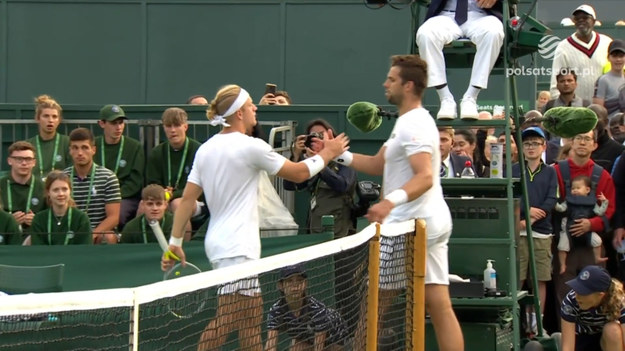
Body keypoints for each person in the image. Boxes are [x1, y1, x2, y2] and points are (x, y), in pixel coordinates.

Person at [160, 84, 348, 351]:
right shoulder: (251, 147)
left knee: (250, 320)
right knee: (227, 318)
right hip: (236, 247)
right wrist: (328, 153)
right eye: (250, 105)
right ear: (238, 113)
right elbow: (297, 173)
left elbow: (188, 199)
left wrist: (175, 241)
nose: (255, 107)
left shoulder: (205, 149)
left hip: (225, 244)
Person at [337, 55, 463, 350]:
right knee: (438, 303)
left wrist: (388, 203)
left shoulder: (414, 124)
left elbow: (425, 177)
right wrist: (335, 155)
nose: (385, 84)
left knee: (374, 305)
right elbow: (379, 164)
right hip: (423, 223)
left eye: (391, 79)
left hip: (410, 226)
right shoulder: (407, 122)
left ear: (407, 85)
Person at [553, 128, 615, 303]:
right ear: (571, 142)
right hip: (564, 244)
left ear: (594, 145)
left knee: (595, 294)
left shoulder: (602, 175)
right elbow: (551, 202)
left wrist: (591, 224)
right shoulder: (557, 171)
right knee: (564, 293)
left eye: (587, 139)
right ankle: (566, 330)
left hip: (591, 244)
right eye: (578, 138)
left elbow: (609, 209)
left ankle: (594, 330)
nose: (582, 142)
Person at [416, 0, 504, 120]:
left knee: (493, 32)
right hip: (445, 16)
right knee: (425, 34)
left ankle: (471, 97)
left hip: (482, 15)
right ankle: (445, 98)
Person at [511, 127, 557, 327]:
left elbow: (551, 199)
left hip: (542, 233)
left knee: (539, 280)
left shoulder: (550, 172)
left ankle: (535, 323)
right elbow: (511, 196)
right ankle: (513, 321)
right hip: (517, 231)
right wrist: (525, 212)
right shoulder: (512, 169)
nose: (531, 147)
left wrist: (530, 220)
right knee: (517, 278)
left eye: (535, 143)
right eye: (527, 143)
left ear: (544, 146)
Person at [283, 119, 357, 237]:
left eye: (321, 135)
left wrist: (320, 163)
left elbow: (343, 185)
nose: (317, 139)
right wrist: (296, 156)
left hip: (338, 230)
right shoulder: (311, 162)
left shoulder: (344, 159)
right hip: (315, 228)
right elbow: (290, 185)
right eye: (313, 136)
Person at [265, 264, 347, 351]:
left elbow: (319, 348)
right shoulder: (276, 311)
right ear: (280, 285)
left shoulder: (317, 309)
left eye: (300, 280)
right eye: (289, 281)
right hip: (305, 338)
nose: (295, 286)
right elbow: (270, 345)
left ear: (305, 284)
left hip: (334, 337)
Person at [64, 128, 121, 244]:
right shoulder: (62, 178)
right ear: (70, 150)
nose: (80, 153)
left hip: (97, 233)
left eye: (85, 147)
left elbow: (114, 218)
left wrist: (91, 235)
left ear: (93, 150)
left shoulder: (108, 177)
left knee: (108, 237)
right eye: (75, 148)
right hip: (69, 231)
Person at [94, 104, 145, 230]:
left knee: (117, 214)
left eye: (121, 123)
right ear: (102, 124)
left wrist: (112, 196)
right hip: (96, 194)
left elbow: (135, 181)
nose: (118, 127)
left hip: (125, 197)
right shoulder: (93, 145)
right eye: (113, 123)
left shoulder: (134, 146)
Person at [550, 5, 612, 102]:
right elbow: (555, 85)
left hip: (604, 108)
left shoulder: (607, 42)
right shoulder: (563, 47)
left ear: (594, 21)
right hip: (575, 110)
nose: (581, 20)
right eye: (577, 18)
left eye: (585, 18)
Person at [146, 107, 202, 215]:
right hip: (162, 198)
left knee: (178, 205)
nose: (172, 130)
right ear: (164, 128)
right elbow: (152, 183)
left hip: (195, 200)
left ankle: (181, 233)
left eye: (177, 125)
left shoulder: (199, 151)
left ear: (185, 126)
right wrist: (162, 193)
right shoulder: (157, 152)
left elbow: (201, 186)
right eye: (168, 126)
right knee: (143, 206)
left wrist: (173, 195)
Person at [560, 265, 625, 351]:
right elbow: (567, 348)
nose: (577, 296)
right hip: (581, 338)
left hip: (606, 341)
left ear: (601, 295)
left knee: (612, 330)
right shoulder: (570, 301)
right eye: (576, 288)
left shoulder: (619, 301)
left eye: (583, 292)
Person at [556, 175, 609, 274]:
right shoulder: (569, 201)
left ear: (588, 189)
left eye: (578, 188)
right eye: (573, 188)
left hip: (588, 231)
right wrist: (554, 202)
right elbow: (561, 208)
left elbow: (600, 212)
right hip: (569, 229)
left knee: (598, 241)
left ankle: (597, 257)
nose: (575, 190)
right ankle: (563, 264)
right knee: (562, 247)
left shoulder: (592, 202)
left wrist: (604, 202)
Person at [30, 171, 92, 245]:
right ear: (48, 192)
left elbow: (84, 249)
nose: (61, 194)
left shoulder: (81, 218)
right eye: (56, 190)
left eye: (64, 189)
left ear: (70, 191)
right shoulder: (39, 219)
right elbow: (38, 250)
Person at [0, 141, 47, 235]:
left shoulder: (43, 187)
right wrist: (8, 221)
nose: (24, 163)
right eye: (19, 159)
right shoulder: (1, 185)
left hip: (34, 239)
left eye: (28, 159)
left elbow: (52, 218)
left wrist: (38, 220)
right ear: (9, 161)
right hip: (5, 240)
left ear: (34, 162)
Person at [26, 95, 71, 181]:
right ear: (37, 119)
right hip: (36, 190)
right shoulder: (29, 145)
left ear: (59, 120)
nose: (50, 120)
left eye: (54, 116)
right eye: (46, 116)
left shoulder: (67, 142)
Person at [593, 39, 625, 118]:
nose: (618, 59)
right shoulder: (603, 80)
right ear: (608, 58)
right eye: (614, 56)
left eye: (621, 56)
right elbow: (598, 112)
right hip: (610, 127)